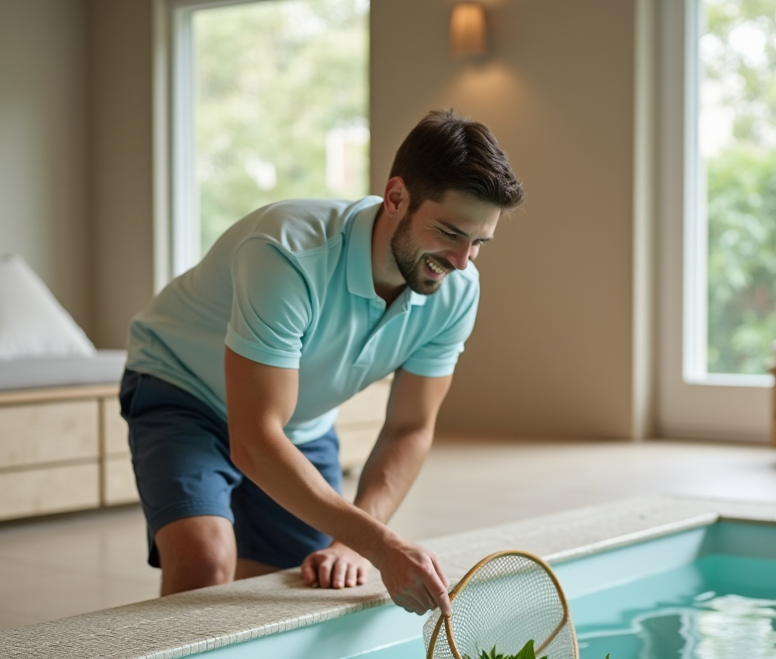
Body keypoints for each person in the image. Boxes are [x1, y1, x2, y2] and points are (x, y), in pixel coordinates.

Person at [120, 109, 523, 617]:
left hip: (300, 424)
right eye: (449, 232)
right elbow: (255, 438)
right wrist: (381, 544)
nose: (463, 261)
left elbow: (409, 428)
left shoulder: (456, 289)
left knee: (299, 587)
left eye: (478, 242)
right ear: (395, 198)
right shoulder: (287, 251)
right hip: (183, 388)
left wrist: (356, 539)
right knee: (205, 562)